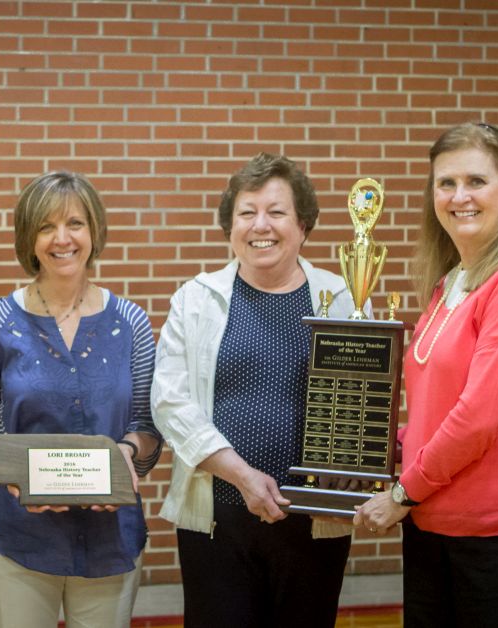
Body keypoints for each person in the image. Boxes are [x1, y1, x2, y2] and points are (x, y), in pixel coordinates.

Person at [353, 122, 498, 628]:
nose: (460, 197)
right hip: (435, 523)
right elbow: (437, 412)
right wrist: (367, 445)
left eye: (476, 181)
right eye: (446, 183)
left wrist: (402, 493)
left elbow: (479, 417)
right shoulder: (450, 283)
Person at [151, 153, 364, 628]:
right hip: (217, 520)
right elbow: (170, 402)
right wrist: (243, 476)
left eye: (276, 212)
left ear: (303, 225)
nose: (260, 225)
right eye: (247, 212)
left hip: (312, 521)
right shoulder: (195, 298)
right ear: (230, 227)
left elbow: (361, 402)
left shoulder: (343, 297)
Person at [0, 171, 163, 628]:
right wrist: (12, 472)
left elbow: (146, 425)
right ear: (28, 238)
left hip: (110, 539)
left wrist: (124, 456)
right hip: (18, 536)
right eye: (46, 227)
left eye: (75, 223)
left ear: (94, 231)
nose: (62, 239)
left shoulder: (131, 322)